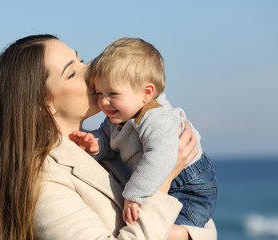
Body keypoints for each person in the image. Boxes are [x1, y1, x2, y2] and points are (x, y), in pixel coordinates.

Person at [0, 34, 217, 239]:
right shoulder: (42, 181)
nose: (91, 70)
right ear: (43, 104)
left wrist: (183, 234)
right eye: (72, 72)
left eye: (82, 60)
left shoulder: (103, 144)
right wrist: (165, 178)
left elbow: (205, 226)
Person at [69, 37, 217, 228]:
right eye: (99, 94)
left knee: (163, 230)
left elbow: (162, 155)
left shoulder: (155, 116)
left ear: (146, 93)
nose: (104, 102)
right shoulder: (118, 117)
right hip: (160, 179)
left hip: (188, 186)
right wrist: (96, 144)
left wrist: (134, 195)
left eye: (113, 94)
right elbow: (108, 139)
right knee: (151, 227)